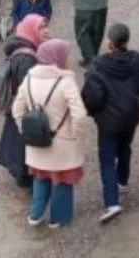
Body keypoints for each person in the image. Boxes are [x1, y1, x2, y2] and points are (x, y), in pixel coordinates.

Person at [81, 24, 139, 224]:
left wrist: (93, 111)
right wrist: (137, 97)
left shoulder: (98, 66)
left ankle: (112, 202)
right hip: (131, 115)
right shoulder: (138, 62)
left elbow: (93, 96)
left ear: (110, 42)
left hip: (108, 121)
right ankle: (122, 182)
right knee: (125, 148)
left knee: (107, 158)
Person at [11, 39, 88, 229]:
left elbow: (17, 110)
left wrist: (26, 131)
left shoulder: (29, 78)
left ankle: (35, 215)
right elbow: (79, 114)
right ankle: (57, 218)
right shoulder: (66, 81)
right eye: (66, 54)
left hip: (37, 142)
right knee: (63, 179)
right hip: (62, 143)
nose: (69, 58)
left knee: (41, 176)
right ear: (57, 58)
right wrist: (74, 134)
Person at [0, 14, 50, 189]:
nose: (46, 30)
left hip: (15, 108)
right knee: (21, 145)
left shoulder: (22, 49)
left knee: (13, 139)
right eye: (41, 28)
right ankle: (23, 176)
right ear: (31, 30)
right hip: (23, 110)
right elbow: (27, 89)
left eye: (45, 26)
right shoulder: (28, 58)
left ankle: (17, 170)